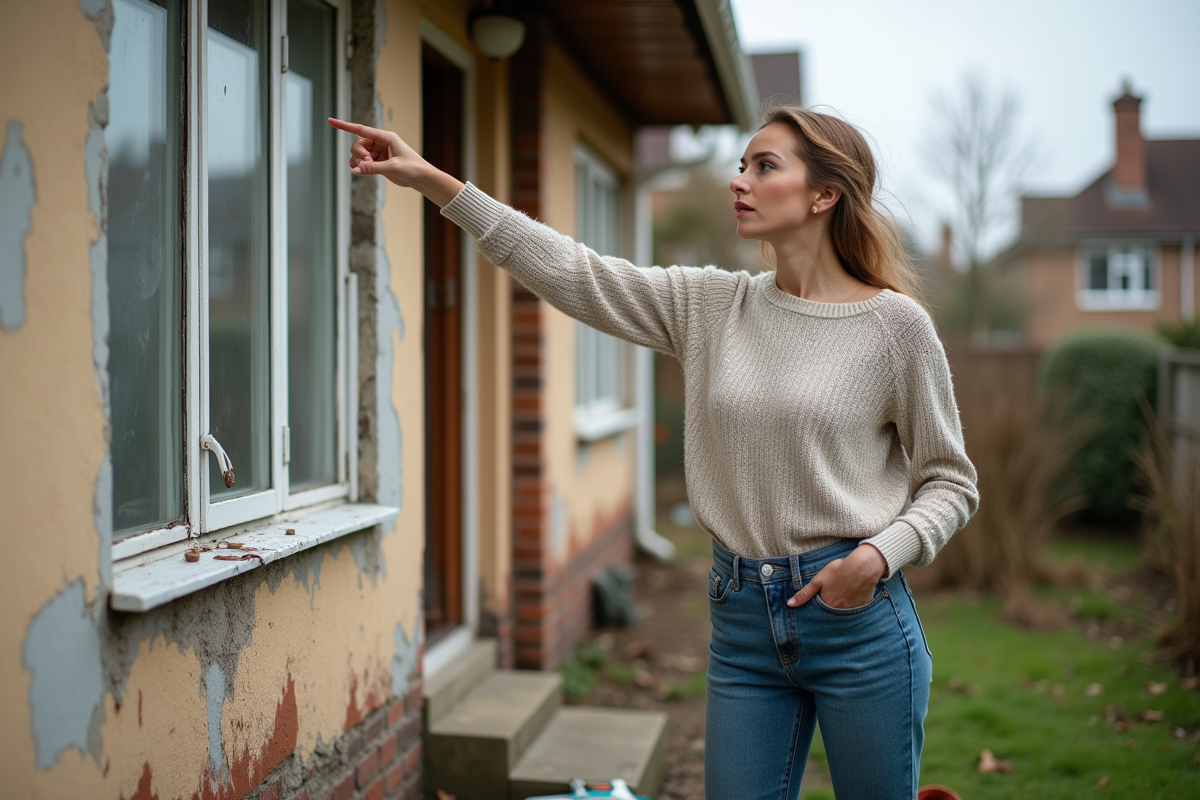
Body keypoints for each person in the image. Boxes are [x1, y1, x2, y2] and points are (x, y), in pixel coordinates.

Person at [328, 106, 978, 800]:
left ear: (825, 195)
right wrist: (433, 181)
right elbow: (574, 273)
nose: (740, 181)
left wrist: (878, 557)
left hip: (858, 621)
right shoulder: (713, 305)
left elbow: (950, 481)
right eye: (741, 164)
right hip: (743, 621)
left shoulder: (894, 328)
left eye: (765, 166)